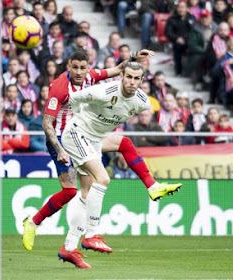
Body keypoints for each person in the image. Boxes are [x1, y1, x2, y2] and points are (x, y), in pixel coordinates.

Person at [22, 51, 182, 267]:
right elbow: (46, 123)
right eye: (75, 67)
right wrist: (60, 149)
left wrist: (135, 58)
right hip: (61, 138)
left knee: (91, 186)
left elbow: (119, 70)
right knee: (72, 190)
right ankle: (35, 223)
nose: (79, 72)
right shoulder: (61, 88)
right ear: (68, 66)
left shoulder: (90, 77)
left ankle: (69, 247)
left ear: (88, 67)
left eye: (83, 68)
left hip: (87, 134)